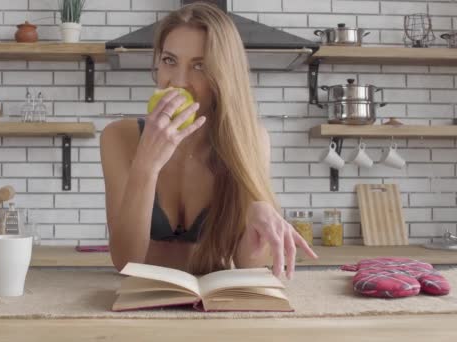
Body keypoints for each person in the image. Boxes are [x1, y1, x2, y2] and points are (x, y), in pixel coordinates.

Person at [100, 2, 318, 277]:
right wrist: (146, 165)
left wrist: (258, 215)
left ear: (223, 75)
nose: (179, 81)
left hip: (215, 303)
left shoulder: (250, 139)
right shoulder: (119, 137)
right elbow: (125, 261)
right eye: (169, 60)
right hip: (142, 299)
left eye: (199, 65)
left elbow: (248, 264)